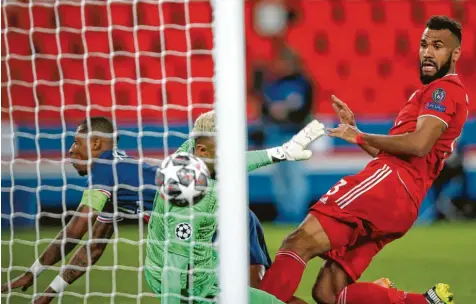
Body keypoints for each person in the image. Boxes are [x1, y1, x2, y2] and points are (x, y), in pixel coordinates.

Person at [1, 114, 324, 304]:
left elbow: (75, 231)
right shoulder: (121, 177)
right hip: (217, 220)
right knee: (244, 294)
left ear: (96, 144)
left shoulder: (104, 172)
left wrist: (33, 270)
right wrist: (50, 292)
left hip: (212, 224)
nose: (70, 152)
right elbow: (92, 249)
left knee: (239, 295)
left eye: (76, 144)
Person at [259, 15, 468, 304]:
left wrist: (361, 137)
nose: (428, 52)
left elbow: (418, 145)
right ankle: (424, 301)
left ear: (456, 53)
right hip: (403, 200)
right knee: (328, 293)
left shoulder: (442, 91)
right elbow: (407, 154)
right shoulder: (438, 93)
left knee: (298, 242)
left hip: (389, 185)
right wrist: (358, 134)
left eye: (438, 45)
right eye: (423, 44)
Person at [145, 111, 325, 303]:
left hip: (205, 275)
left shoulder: (200, 154)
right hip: (187, 288)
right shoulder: (188, 198)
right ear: (201, 150)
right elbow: (173, 270)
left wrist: (281, 152)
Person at [251, 40, 314, 223]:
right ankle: (284, 213)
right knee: (279, 178)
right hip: (275, 133)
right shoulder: (273, 84)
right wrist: (271, 113)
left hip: (294, 134)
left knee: (295, 176)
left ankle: (296, 214)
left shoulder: (303, 83)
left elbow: (306, 109)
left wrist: (286, 113)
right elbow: (263, 107)